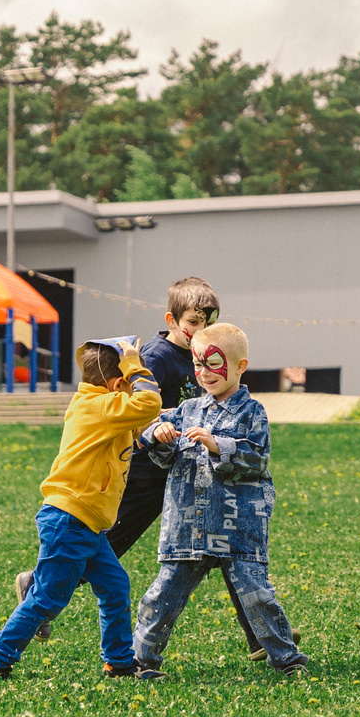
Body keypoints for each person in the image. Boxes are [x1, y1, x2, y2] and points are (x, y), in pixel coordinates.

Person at [0, 337, 161, 682]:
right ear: (119, 385)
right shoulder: (99, 406)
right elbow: (149, 403)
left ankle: (118, 664)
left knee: (115, 586)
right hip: (71, 519)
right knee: (48, 599)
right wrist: (134, 362)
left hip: (85, 521)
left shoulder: (101, 406)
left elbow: (137, 427)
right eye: (130, 380)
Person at [103, 276, 268, 659]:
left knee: (228, 547)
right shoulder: (159, 358)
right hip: (147, 471)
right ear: (172, 320)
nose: (202, 331)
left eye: (209, 322)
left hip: (187, 471)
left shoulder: (205, 355)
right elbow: (138, 408)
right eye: (194, 323)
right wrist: (160, 428)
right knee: (107, 544)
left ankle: (258, 636)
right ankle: (40, 586)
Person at [131, 321, 307, 676]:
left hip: (237, 527)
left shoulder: (252, 412)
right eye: (197, 365)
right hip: (187, 528)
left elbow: (256, 458)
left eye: (213, 364)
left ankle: (286, 658)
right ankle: (141, 661)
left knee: (258, 597)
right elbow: (163, 454)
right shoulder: (187, 410)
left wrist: (217, 445)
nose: (204, 373)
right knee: (160, 599)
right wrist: (159, 435)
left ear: (240, 366)